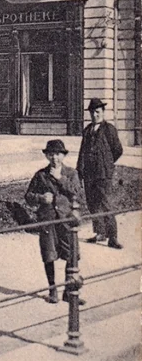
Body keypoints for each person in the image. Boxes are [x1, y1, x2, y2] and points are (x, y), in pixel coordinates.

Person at [25, 139, 83, 305]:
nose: (54, 158)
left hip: (66, 219)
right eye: (51, 154)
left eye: (58, 154)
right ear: (46, 156)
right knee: (49, 254)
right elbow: (28, 197)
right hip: (48, 219)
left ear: (63, 155)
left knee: (72, 254)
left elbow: (77, 193)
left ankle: (68, 290)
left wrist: (61, 179)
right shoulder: (41, 175)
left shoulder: (71, 173)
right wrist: (41, 198)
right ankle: (52, 289)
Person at [77, 97, 124, 249]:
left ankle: (113, 236)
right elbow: (82, 151)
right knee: (93, 203)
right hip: (89, 174)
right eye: (92, 112)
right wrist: (80, 169)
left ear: (103, 112)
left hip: (103, 173)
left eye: (97, 112)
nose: (94, 115)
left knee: (106, 203)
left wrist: (107, 163)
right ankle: (100, 233)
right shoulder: (87, 130)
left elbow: (117, 150)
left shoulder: (109, 129)